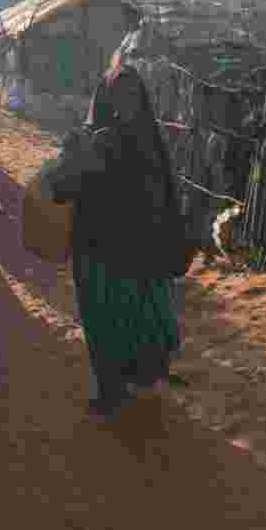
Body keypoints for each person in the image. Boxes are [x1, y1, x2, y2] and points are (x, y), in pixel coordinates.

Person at [44, 46, 192, 418]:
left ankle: (112, 390)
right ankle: (142, 374)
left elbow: (59, 187)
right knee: (141, 314)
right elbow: (168, 198)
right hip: (143, 252)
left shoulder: (98, 141)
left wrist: (71, 151)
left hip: (101, 252)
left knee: (105, 319)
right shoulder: (149, 137)